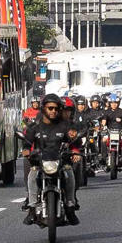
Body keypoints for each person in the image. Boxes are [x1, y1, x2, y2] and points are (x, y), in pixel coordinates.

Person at [19, 94, 82, 224]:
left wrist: (75, 150)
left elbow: (74, 142)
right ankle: (32, 208)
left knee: (69, 172)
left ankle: (70, 205)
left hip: (60, 160)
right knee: (32, 175)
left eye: (56, 109)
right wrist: (26, 150)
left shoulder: (64, 126)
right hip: (41, 160)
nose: (53, 111)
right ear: (44, 109)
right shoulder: (35, 126)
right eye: (50, 108)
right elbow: (27, 143)